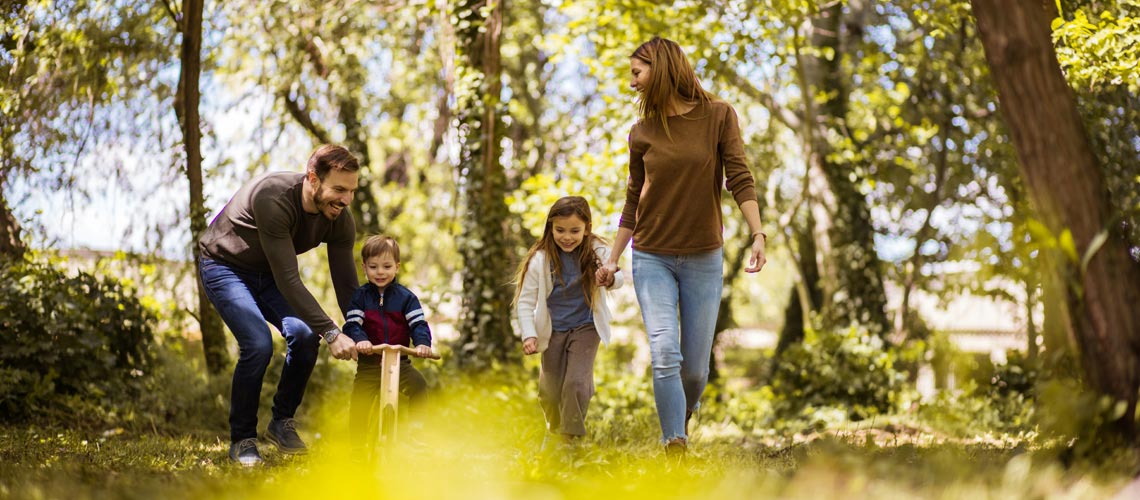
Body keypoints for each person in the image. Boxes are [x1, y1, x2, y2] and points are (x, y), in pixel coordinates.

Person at [595, 36, 768, 456]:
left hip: (703, 257)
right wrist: (614, 258)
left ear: (662, 68)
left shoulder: (719, 116)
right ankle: (674, 443)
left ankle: (680, 419)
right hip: (651, 255)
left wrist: (758, 233)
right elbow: (633, 199)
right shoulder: (641, 133)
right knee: (664, 351)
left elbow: (739, 177)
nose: (632, 83)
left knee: (694, 370)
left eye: (637, 72)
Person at [198, 144, 362, 466]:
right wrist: (332, 332)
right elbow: (289, 279)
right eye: (339, 189)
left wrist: (361, 331)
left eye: (352, 191)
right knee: (258, 344)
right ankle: (242, 440)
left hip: (268, 274)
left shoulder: (339, 218)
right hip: (225, 266)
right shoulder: (274, 198)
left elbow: (346, 285)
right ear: (313, 179)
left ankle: (281, 421)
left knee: (303, 336)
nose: (346, 199)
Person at [514, 196, 623, 445]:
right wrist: (529, 334)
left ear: (587, 228)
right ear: (550, 228)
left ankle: (569, 441)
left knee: (575, 383)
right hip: (552, 330)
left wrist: (609, 278)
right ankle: (554, 431)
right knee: (550, 392)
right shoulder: (541, 259)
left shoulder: (597, 250)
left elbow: (619, 278)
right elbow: (526, 302)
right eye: (560, 230)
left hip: (586, 326)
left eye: (575, 230)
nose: (567, 237)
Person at [343, 235, 433, 446]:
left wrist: (422, 344)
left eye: (386, 266)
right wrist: (361, 341)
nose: (380, 272)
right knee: (359, 405)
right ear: (364, 267)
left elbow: (418, 324)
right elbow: (352, 325)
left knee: (419, 385)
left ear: (397, 267)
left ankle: (417, 433)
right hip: (369, 364)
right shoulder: (360, 296)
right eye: (373, 267)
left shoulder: (406, 298)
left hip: (399, 363)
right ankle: (356, 449)